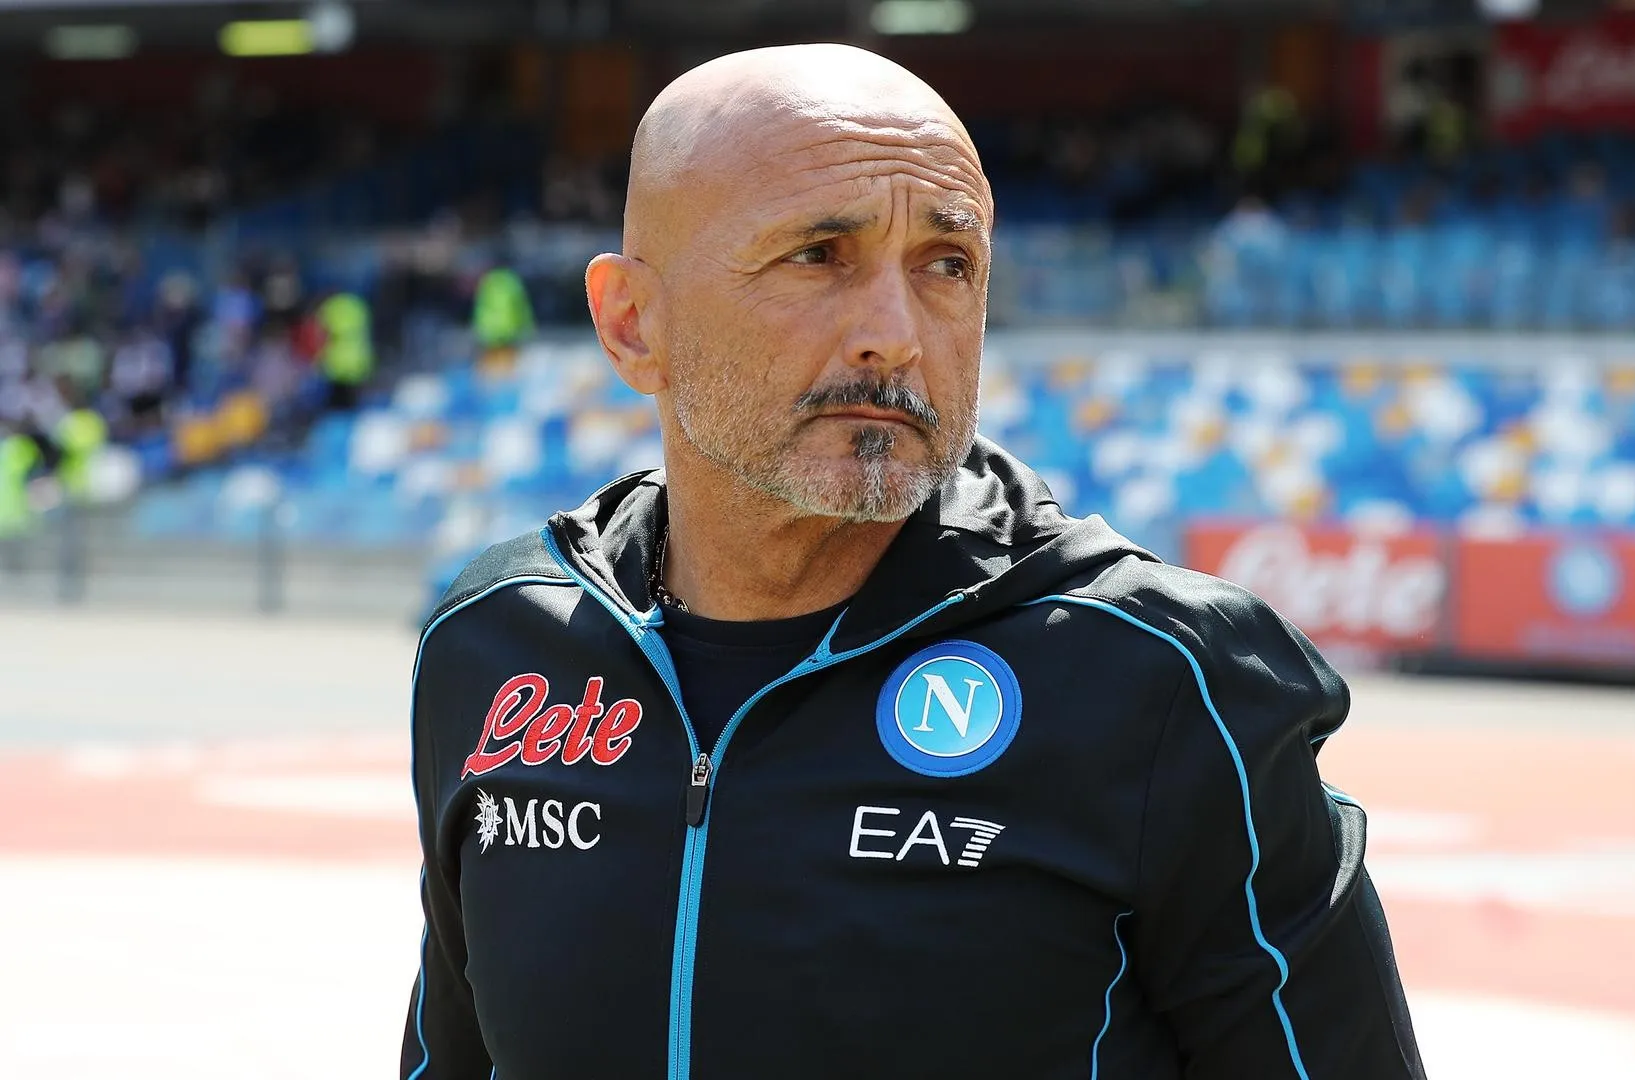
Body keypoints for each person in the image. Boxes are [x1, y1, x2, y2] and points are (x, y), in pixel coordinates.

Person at [402, 44, 1423, 1080]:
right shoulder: (493, 644)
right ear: (631, 324)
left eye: (946, 265)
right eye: (818, 255)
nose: (894, 336)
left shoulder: (1169, 678)